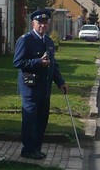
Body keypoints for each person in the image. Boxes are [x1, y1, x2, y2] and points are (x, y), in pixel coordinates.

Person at [13, 9, 68, 159]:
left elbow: (53, 64)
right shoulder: (25, 40)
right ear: (33, 24)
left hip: (44, 87)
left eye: (45, 23)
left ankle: (36, 148)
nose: (42, 26)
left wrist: (60, 82)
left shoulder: (48, 41)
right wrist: (38, 62)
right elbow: (18, 62)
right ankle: (28, 149)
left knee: (42, 118)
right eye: (40, 23)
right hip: (30, 86)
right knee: (30, 117)